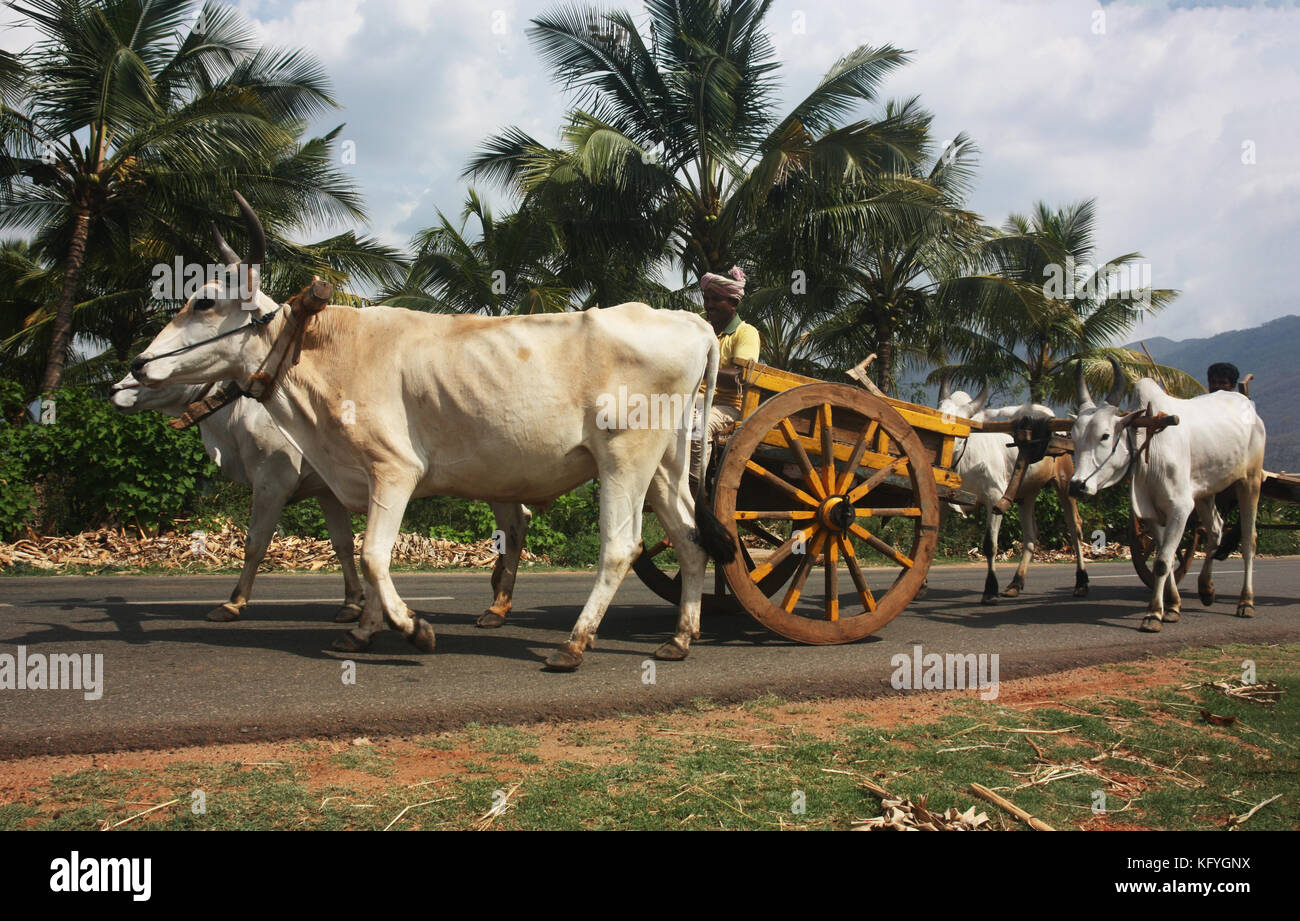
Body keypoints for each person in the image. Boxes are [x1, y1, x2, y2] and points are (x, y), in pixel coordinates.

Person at [692, 266, 761, 478]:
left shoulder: (746, 333)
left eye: (716, 299)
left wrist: (698, 368)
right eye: (707, 298)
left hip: (729, 406)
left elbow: (741, 378)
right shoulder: (700, 328)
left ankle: (695, 493)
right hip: (698, 400)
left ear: (734, 303)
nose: (709, 305)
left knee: (697, 429)